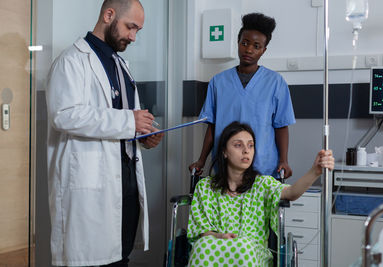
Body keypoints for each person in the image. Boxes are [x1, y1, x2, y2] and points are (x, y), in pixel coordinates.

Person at [46, 0, 163, 266]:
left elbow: (124, 124)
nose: (133, 37)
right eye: (130, 27)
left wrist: (143, 136)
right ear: (108, 15)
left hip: (125, 183)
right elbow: (63, 115)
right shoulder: (71, 61)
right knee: (90, 259)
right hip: (89, 185)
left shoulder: (121, 66)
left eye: (137, 31)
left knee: (120, 257)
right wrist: (128, 121)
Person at [187, 121, 334, 266]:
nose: (246, 150)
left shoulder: (262, 184)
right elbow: (202, 232)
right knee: (202, 246)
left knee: (242, 247)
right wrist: (219, 236)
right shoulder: (205, 187)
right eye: (238, 145)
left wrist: (315, 171)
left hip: (251, 252)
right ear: (224, 151)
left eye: (250, 145)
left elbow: (291, 193)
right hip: (215, 249)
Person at [189, 13, 296, 179]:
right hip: (227, 168)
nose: (249, 50)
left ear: (263, 50)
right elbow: (212, 126)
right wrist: (201, 160)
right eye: (244, 43)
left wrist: (284, 160)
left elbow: (281, 125)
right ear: (238, 43)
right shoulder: (218, 82)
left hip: (263, 167)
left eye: (256, 46)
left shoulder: (275, 82)